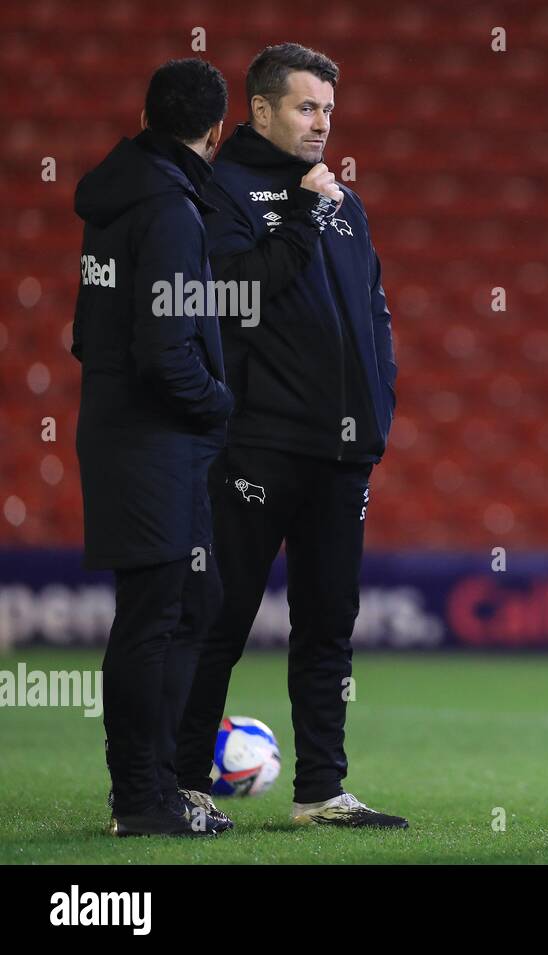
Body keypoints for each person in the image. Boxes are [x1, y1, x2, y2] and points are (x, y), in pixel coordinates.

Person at [173, 43, 404, 829]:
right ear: (261, 109)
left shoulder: (340, 199)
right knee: (221, 616)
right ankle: (182, 782)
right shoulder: (221, 191)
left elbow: (373, 306)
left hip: (344, 449)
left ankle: (321, 791)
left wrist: (381, 395)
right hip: (258, 442)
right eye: (307, 108)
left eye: (330, 111)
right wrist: (303, 211)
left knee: (328, 626)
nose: (321, 124)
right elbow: (234, 296)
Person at [72, 58, 233, 837]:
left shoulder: (114, 201)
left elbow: (88, 335)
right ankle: (143, 795)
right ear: (215, 132)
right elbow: (165, 351)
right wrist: (220, 405)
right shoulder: (168, 210)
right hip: (154, 441)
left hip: (121, 431)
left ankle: (153, 785)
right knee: (156, 618)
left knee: (181, 606)